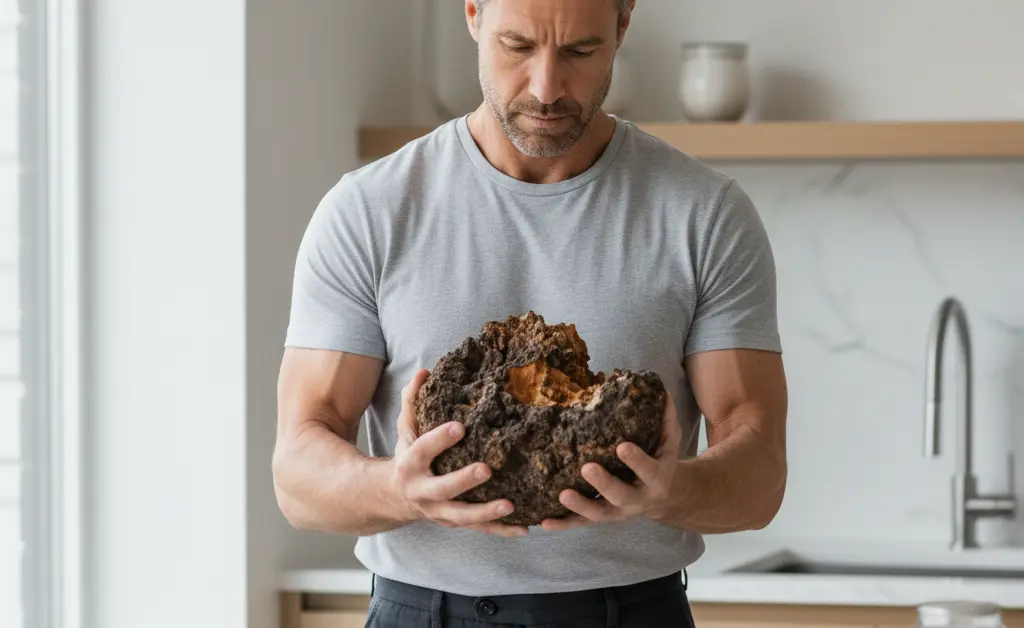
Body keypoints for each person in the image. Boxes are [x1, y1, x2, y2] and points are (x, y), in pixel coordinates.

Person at [273, 0, 788, 625]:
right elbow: (298, 472)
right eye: (517, 46)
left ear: (624, 25)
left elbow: (759, 472)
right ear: (472, 15)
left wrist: (672, 489)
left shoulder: (703, 216)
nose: (546, 87)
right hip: (423, 610)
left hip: (628, 611)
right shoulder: (370, 212)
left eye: (579, 51)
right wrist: (399, 488)